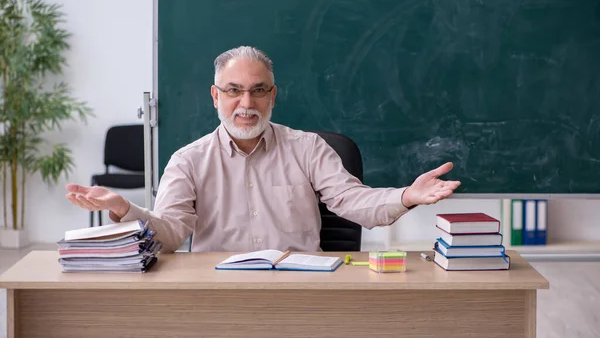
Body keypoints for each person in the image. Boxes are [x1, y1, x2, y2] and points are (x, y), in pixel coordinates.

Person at [65, 46, 461, 253]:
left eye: (258, 91)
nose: (246, 104)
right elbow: (168, 235)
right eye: (234, 91)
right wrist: (122, 208)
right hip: (217, 289)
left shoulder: (309, 148)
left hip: (302, 287)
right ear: (215, 97)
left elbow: (355, 202)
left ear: (273, 96)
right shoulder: (188, 160)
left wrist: (408, 195)